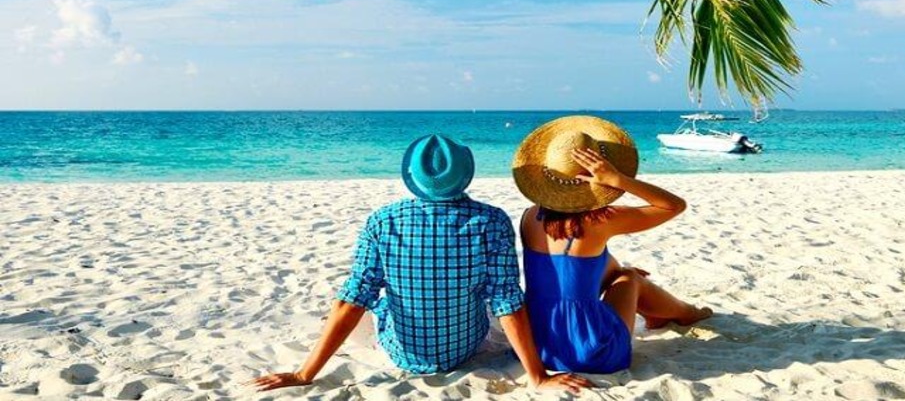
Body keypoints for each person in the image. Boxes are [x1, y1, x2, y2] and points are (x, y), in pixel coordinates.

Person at [253, 134, 592, 393]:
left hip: (400, 354)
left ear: (413, 176)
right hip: (464, 348)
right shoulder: (492, 220)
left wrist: (304, 374)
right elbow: (506, 301)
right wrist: (537, 377)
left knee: (363, 298)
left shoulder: (383, 221)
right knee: (486, 297)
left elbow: (353, 299)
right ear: (465, 174)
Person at [511, 116, 713, 373]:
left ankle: (658, 313)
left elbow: (573, 268)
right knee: (631, 278)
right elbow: (674, 206)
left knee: (619, 272)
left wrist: (615, 271)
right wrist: (618, 180)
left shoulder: (530, 216)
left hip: (537, 346)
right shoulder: (600, 220)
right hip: (590, 351)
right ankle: (688, 314)